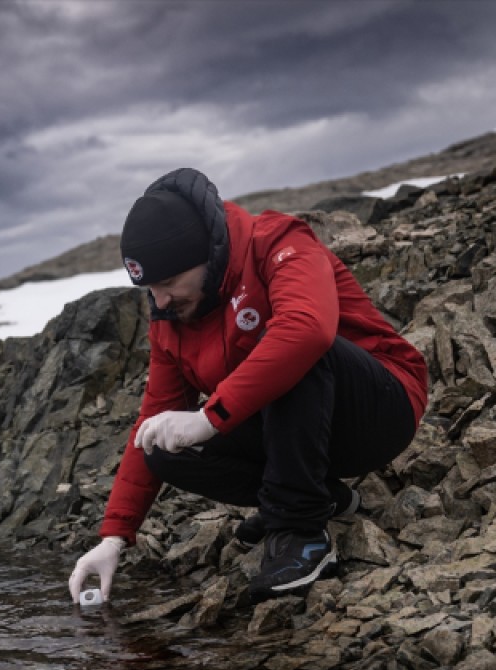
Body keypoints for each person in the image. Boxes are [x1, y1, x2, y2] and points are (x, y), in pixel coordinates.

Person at [68, 167, 429, 605]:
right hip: (301, 432)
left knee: (290, 345)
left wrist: (209, 418)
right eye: (149, 288)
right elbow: (151, 415)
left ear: (206, 255)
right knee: (159, 446)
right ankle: (323, 497)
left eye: (168, 283)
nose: (159, 301)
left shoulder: (277, 242)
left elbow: (308, 331)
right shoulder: (171, 319)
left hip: (381, 410)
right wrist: (114, 537)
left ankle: (301, 530)